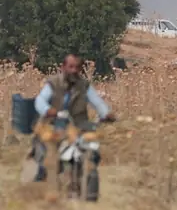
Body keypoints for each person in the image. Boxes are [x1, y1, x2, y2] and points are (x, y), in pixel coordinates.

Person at [21, 54, 116, 187]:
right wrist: (48, 110)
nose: (74, 70)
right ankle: (40, 175)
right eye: (70, 67)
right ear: (63, 67)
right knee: (44, 151)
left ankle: (84, 176)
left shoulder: (84, 86)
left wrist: (106, 114)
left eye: (77, 67)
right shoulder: (53, 83)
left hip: (79, 125)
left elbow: (97, 102)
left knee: (93, 150)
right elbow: (40, 101)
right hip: (53, 123)